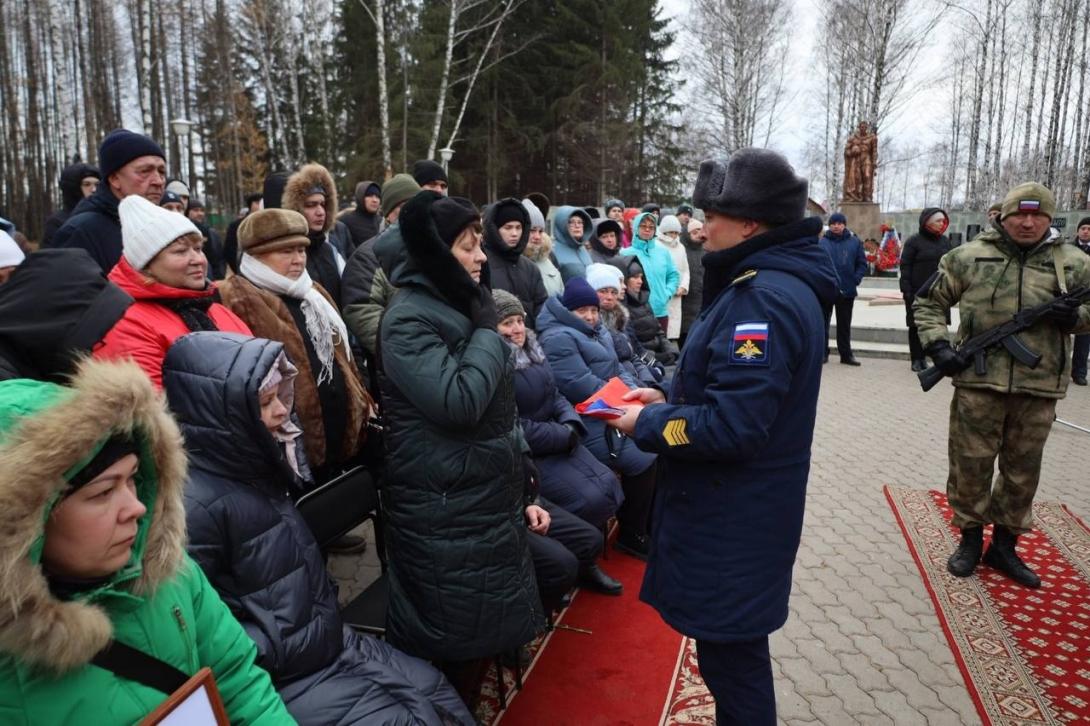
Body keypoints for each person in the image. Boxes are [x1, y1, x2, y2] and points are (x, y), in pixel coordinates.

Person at [608, 149, 837, 725]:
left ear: (750, 224)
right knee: (731, 658)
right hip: (744, 512)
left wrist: (651, 425)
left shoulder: (761, 298)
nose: (699, 226)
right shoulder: (769, 282)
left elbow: (736, 426)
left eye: (712, 214)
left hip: (732, 517)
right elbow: (733, 394)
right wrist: (667, 398)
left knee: (733, 666)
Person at [162, 332, 473, 725]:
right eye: (264, 403)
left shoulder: (255, 469)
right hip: (284, 674)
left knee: (437, 694)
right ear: (222, 418)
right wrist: (280, 639)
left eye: (280, 396)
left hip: (328, 643)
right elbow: (192, 631)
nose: (281, 412)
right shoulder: (194, 507)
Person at [0, 358, 294, 724]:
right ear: (27, 521)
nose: (136, 507)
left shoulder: (172, 574)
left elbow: (238, 680)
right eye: (104, 492)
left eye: (133, 479)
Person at [375, 190, 543, 701]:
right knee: (456, 638)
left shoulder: (457, 303)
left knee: (477, 627)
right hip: (442, 505)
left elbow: (496, 406)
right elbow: (460, 400)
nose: (482, 256)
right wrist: (489, 330)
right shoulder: (408, 319)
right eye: (469, 247)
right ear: (435, 252)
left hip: (475, 496)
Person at [914, 182, 1090, 589]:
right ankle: (971, 542)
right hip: (978, 383)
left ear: (1050, 219)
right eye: (1019, 215)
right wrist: (939, 347)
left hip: (1039, 386)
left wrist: (1073, 319)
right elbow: (928, 302)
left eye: (1038, 215)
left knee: (1021, 471)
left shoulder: (1075, 263)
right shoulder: (969, 257)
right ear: (1003, 217)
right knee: (970, 465)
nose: (1028, 223)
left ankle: (1005, 547)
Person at [218, 208, 375, 486]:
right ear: (256, 255)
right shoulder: (238, 299)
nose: (298, 259)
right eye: (286, 251)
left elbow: (345, 354)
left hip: (338, 441)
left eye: (301, 250)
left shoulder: (313, 292)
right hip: (290, 448)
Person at [493, 290, 625, 600]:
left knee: (607, 481)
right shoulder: (497, 366)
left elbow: (556, 395)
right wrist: (559, 434)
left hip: (562, 438)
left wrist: (570, 424)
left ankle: (584, 557)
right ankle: (570, 562)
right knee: (588, 497)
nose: (515, 330)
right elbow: (511, 424)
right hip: (533, 452)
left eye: (519, 321)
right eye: (506, 323)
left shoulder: (534, 352)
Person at [537, 277, 659, 559]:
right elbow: (580, 385)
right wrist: (627, 405)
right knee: (643, 457)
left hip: (613, 406)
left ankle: (649, 521)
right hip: (588, 417)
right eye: (583, 312)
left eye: (593, 310)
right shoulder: (558, 338)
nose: (591, 316)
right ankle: (632, 533)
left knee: (659, 439)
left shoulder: (596, 331)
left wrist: (636, 395)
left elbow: (619, 369)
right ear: (569, 311)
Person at [94, 195, 251, 389]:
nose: (198, 260)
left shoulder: (218, 312)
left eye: (198, 248)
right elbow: (154, 412)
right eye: (180, 251)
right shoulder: (127, 326)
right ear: (146, 265)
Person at [0, 249, 132, 382]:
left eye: (14, 275)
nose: (97, 346)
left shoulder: (32, 360)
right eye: (95, 337)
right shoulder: (8, 382)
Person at [53, 129, 166, 272]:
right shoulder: (80, 233)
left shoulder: (163, 226)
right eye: (145, 171)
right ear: (114, 179)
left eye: (161, 172)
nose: (158, 181)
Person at [341, 173, 422, 361]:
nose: (414, 212)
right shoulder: (368, 257)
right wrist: (407, 353)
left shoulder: (436, 248)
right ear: (388, 214)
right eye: (404, 207)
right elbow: (361, 310)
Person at [282, 163, 353, 301]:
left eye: (323, 204)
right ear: (296, 209)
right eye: (311, 205)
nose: (320, 212)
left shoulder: (330, 251)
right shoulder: (288, 254)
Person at [586, 262, 662, 385]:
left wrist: (650, 383)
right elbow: (613, 366)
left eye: (613, 292)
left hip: (634, 377)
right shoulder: (591, 323)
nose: (609, 297)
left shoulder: (619, 318)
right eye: (603, 291)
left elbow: (633, 356)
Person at [899, 208, 953, 371]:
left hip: (940, 292)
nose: (941, 224)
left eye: (943, 221)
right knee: (916, 326)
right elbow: (905, 266)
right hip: (917, 292)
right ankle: (917, 358)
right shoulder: (914, 242)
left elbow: (952, 266)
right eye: (938, 221)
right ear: (928, 223)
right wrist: (906, 290)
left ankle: (935, 358)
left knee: (938, 325)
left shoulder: (945, 242)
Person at [483, 198, 548, 329]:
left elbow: (543, 308)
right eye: (508, 227)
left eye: (518, 228)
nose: (514, 233)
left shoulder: (530, 268)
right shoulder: (481, 264)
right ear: (494, 228)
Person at [818, 211, 867, 365]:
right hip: (826, 290)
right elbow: (816, 264)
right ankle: (822, 353)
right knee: (823, 323)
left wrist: (855, 280)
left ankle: (846, 355)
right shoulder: (821, 243)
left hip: (847, 289)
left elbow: (862, 264)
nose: (836, 226)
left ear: (844, 225)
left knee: (844, 325)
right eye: (833, 223)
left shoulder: (854, 242)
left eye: (839, 223)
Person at [620, 211, 680, 332]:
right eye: (643, 226)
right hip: (636, 313)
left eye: (651, 227)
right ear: (636, 228)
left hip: (660, 311)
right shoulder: (625, 253)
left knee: (663, 347)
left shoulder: (663, 252)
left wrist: (666, 293)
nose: (647, 229)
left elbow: (673, 275)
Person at [42, 162, 100, 247]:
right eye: (87, 184)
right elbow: (51, 257)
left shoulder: (105, 218)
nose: (94, 189)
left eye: (97, 185)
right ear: (73, 189)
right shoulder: (57, 222)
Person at [657, 214, 690, 341]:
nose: (674, 236)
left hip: (677, 294)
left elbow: (685, 269)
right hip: (663, 291)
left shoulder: (680, 247)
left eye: (676, 233)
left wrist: (683, 286)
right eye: (671, 232)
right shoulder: (657, 245)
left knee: (674, 326)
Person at [522, 198, 564, 297]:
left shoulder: (548, 258)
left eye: (540, 231)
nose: (537, 237)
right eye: (532, 230)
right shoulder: (514, 262)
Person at [224, 192, 264, 275]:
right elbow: (230, 249)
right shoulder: (237, 225)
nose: (260, 205)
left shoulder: (269, 223)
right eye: (257, 203)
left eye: (262, 202)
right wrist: (238, 270)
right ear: (250, 205)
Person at [551, 206, 594, 282]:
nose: (577, 226)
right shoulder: (552, 251)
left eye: (580, 222)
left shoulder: (583, 249)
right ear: (561, 224)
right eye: (571, 222)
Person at [186, 199, 227, 280]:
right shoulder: (183, 233)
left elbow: (220, 258)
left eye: (202, 210)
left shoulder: (212, 233)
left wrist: (220, 275)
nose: (200, 213)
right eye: (195, 210)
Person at [680, 218, 706, 345]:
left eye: (700, 231)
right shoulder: (682, 250)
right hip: (686, 300)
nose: (698, 235)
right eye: (694, 232)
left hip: (703, 298)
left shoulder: (707, 250)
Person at [1071, 216, 1090, 385]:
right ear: (1078, 231)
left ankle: (1079, 372)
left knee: (1084, 337)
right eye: (1083, 228)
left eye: (1089, 229)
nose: (1086, 231)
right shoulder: (1067, 249)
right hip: (1067, 296)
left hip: (1087, 298)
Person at [340, 180, 383, 249]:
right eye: (370, 195)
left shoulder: (382, 221)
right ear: (361, 197)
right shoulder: (346, 221)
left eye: (378, 196)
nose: (375, 200)